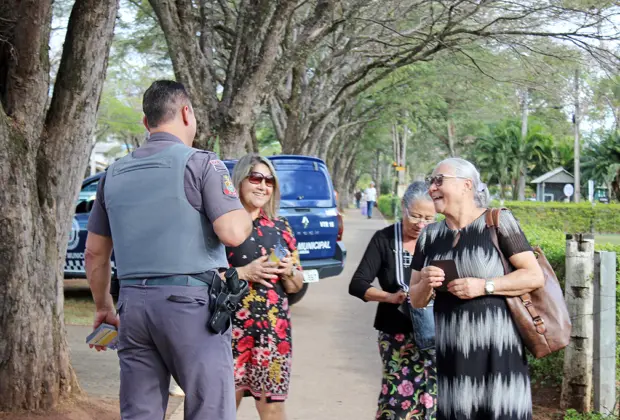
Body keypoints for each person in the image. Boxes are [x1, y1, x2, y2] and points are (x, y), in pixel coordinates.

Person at [85, 80, 252, 420]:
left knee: (140, 412)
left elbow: (94, 254)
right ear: (187, 113)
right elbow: (232, 232)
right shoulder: (202, 163)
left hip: (132, 307)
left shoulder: (111, 175)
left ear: (146, 124)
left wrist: (104, 306)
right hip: (190, 308)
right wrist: (243, 212)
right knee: (210, 409)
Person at [409, 158, 544, 420]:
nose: (432, 188)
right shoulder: (429, 236)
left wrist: (484, 285)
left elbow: (533, 276)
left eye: (439, 181)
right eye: (430, 182)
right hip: (452, 356)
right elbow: (415, 299)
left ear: (466, 185)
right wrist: (425, 283)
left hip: (499, 353)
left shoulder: (498, 221)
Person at [349, 181, 438, 420]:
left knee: (435, 398)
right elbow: (358, 284)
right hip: (397, 335)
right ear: (403, 208)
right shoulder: (385, 239)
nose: (421, 225)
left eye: (429, 218)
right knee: (397, 400)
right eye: (416, 216)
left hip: (436, 335)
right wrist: (389, 297)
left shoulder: (441, 240)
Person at [226, 154, 304, 420]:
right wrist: (243, 272)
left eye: (269, 180)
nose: (263, 186)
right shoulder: (221, 225)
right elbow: (201, 276)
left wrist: (289, 271)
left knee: (272, 408)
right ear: (240, 181)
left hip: (273, 336)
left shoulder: (281, 227)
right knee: (224, 405)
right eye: (256, 178)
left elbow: (296, 285)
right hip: (228, 334)